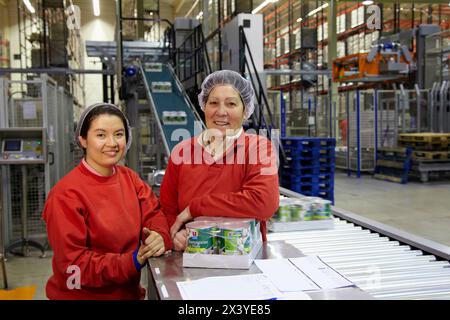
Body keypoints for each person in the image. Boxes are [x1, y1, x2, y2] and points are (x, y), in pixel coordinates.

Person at [42, 103, 172, 300]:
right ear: (83, 140)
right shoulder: (65, 195)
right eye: (101, 135)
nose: (112, 143)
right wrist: (130, 261)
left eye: (119, 134)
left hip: (128, 294)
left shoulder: (130, 179)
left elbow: (153, 213)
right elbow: (73, 267)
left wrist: (159, 235)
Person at [159, 70, 279, 251]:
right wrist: (175, 233)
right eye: (213, 103)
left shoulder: (258, 148)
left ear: (245, 110)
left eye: (231, 104)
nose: (221, 112)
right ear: (204, 106)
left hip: (244, 262)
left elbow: (263, 202)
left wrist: (196, 208)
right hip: (192, 258)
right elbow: (167, 209)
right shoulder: (182, 152)